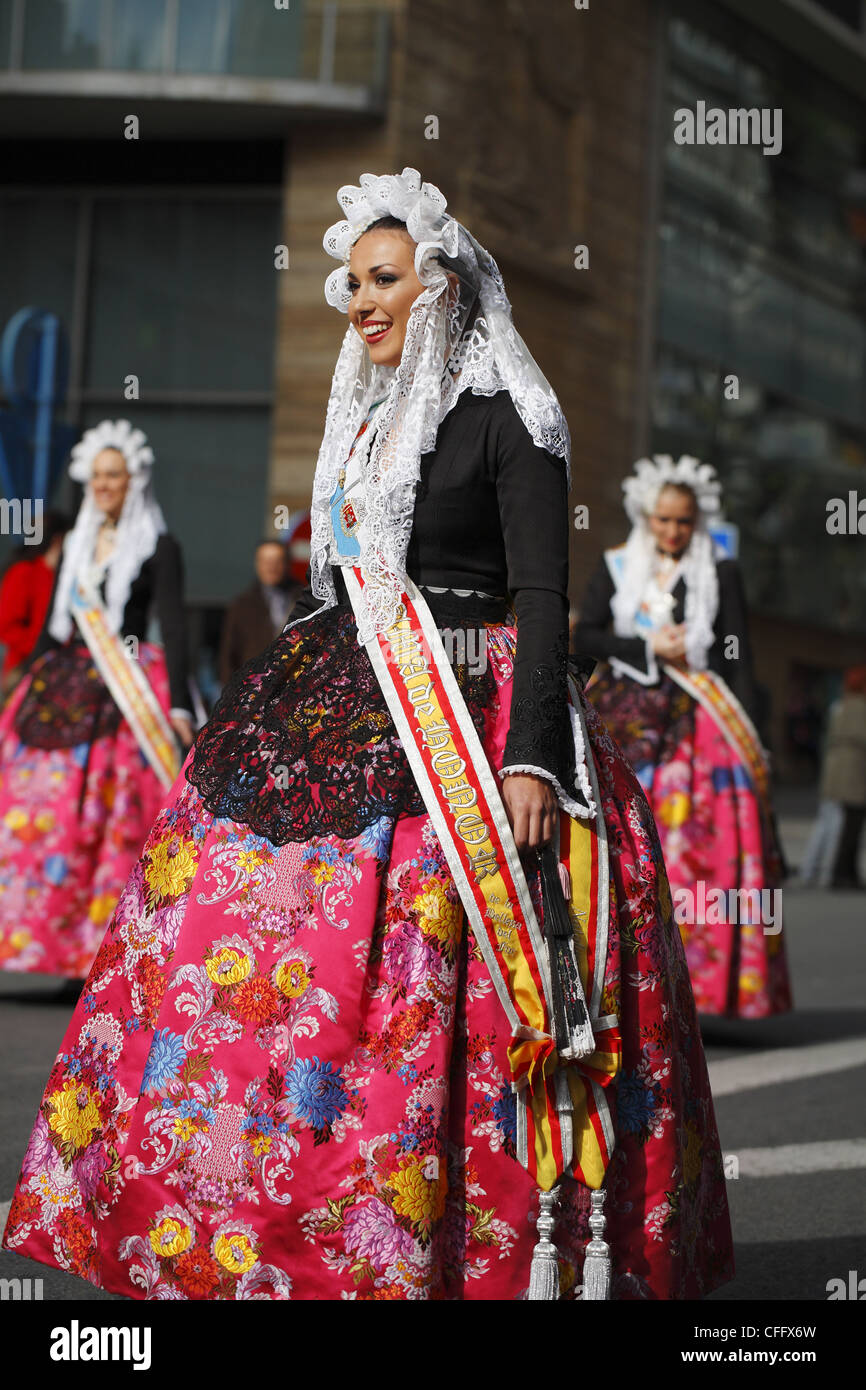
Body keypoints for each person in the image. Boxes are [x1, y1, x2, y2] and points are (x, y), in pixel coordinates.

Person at [3, 171, 732, 1300]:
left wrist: (534, 753)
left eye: (384, 280)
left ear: (442, 286)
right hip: (342, 692)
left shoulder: (512, 420)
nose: (361, 300)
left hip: (473, 714)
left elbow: (543, 598)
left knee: (445, 972)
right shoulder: (362, 425)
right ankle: (253, 1224)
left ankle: (459, 1238)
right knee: (229, 926)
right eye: (352, 282)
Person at [572, 456, 792, 1019]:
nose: (673, 531)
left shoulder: (720, 572)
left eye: (684, 522)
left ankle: (700, 985)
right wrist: (647, 649)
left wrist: (753, 736)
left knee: (703, 846)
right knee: (617, 840)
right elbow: (590, 631)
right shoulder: (619, 565)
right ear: (646, 516)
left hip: (699, 720)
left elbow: (736, 654)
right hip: (627, 716)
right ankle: (620, 979)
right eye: (664, 520)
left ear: (698, 521)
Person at [0, 420, 193, 978]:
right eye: (98, 476)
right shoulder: (76, 545)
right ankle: (52, 942)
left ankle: (105, 952)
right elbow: (52, 630)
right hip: (66, 686)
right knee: (45, 811)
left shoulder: (160, 545)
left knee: (113, 819)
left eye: (117, 475)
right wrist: (26, 678)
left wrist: (180, 705)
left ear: (135, 479)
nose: (106, 485)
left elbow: (176, 629)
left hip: (126, 689)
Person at [0, 510, 70, 697]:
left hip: (61, 671)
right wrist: (43, 649)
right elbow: (7, 628)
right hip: (27, 670)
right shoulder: (24, 572)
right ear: (58, 539)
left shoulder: (65, 577)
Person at [218, 539, 300, 684]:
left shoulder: (305, 599)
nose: (271, 567)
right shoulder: (242, 605)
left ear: (287, 564)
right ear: (257, 564)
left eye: (277, 561)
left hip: (295, 687)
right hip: (253, 690)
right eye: (266, 561)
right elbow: (228, 655)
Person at [822, 666, 866, 889]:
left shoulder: (840, 705)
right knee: (852, 829)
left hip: (840, 772)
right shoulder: (859, 708)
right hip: (855, 774)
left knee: (848, 826)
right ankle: (844, 873)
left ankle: (845, 872)